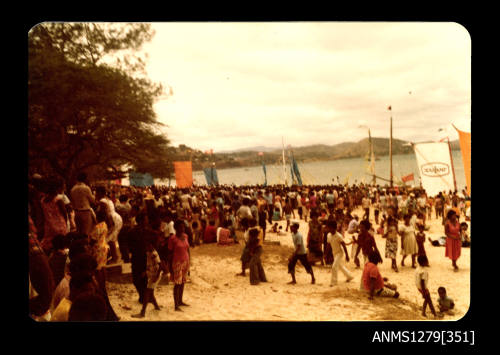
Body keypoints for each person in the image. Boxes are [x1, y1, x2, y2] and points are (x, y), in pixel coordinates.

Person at [132, 236, 163, 318]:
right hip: (152, 274)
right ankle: (156, 307)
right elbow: (149, 264)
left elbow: (160, 266)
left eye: (148, 245)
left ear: (152, 245)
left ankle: (142, 313)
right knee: (150, 292)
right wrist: (145, 271)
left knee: (147, 293)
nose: (146, 247)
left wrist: (156, 276)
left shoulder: (154, 254)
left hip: (155, 275)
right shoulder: (148, 252)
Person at [40, 178, 68, 254]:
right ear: (58, 187)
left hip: (49, 226)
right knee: (61, 248)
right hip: (60, 226)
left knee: (50, 247)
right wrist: (66, 223)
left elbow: (42, 214)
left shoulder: (42, 200)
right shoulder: (58, 199)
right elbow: (64, 213)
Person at [95, 186, 123, 264]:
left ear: (100, 192)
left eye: (97, 192)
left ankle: (114, 257)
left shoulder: (102, 201)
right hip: (115, 218)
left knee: (109, 239)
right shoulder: (107, 199)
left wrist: (108, 223)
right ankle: (114, 257)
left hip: (112, 219)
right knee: (112, 239)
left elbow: (105, 213)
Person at [168, 219, 191, 311]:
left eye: (183, 226)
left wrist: (189, 263)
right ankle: (176, 305)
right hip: (177, 262)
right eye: (181, 226)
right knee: (177, 283)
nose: (183, 228)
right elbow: (169, 254)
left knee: (182, 282)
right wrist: (170, 268)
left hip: (185, 262)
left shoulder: (186, 236)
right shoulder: (172, 239)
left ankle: (180, 301)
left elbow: (187, 250)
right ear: (176, 228)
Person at [326, 220, 353, 286]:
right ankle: (349, 276)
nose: (330, 229)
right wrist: (326, 254)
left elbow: (343, 246)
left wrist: (347, 255)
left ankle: (334, 282)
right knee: (340, 266)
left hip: (339, 253)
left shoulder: (339, 236)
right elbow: (328, 245)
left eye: (331, 228)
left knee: (334, 266)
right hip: (334, 253)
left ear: (334, 228)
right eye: (329, 228)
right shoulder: (329, 235)